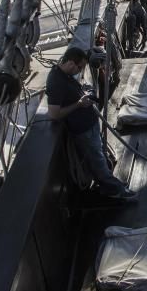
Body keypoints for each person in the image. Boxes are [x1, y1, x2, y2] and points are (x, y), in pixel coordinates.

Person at [46, 46, 136, 202]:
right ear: (70, 63)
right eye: (79, 67)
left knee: (100, 156)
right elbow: (54, 114)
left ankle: (112, 184)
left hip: (90, 125)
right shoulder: (55, 81)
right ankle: (115, 190)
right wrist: (79, 104)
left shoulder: (64, 74)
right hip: (82, 130)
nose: (79, 71)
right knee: (97, 162)